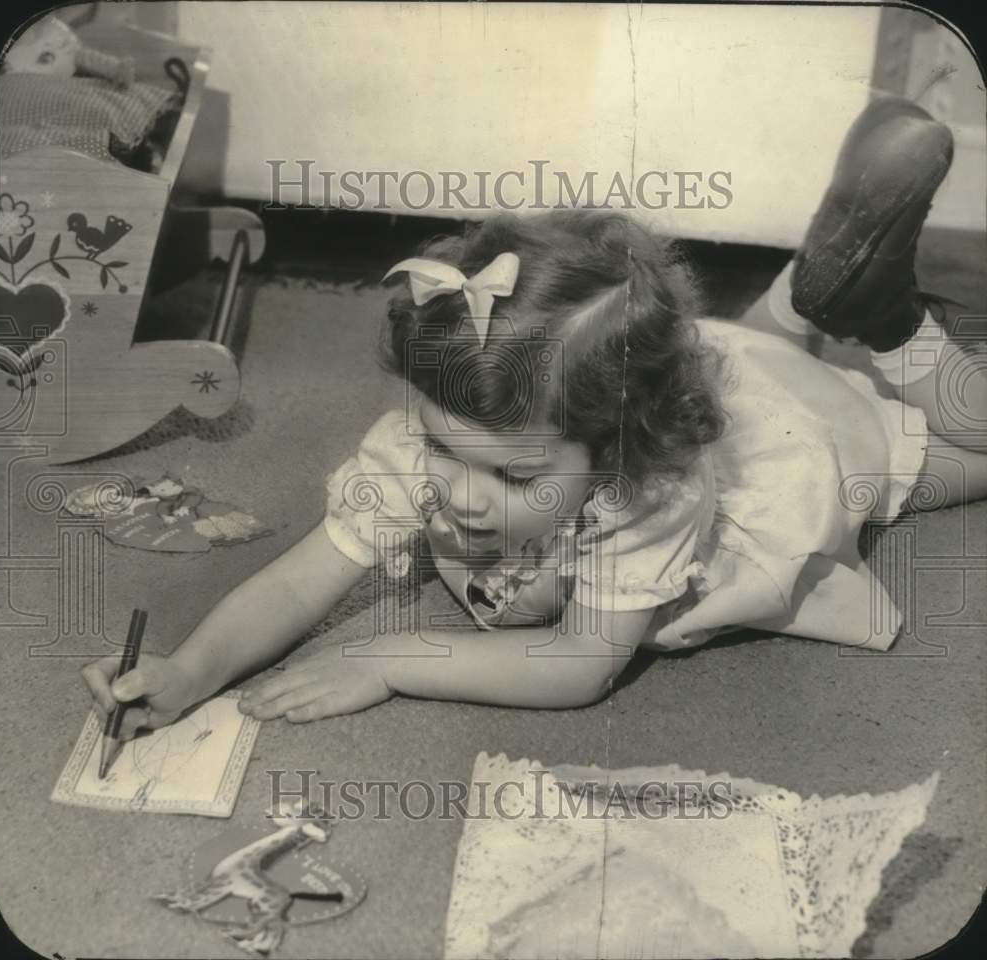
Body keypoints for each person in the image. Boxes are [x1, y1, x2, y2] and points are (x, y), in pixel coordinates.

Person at [83, 95, 986, 732]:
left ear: (617, 449)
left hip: (793, 450)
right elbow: (298, 580)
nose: (460, 494)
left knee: (954, 454)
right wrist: (191, 668)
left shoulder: (644, 494)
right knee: (734, 353)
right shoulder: (429, 444)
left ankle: (890, 323)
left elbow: (579, 662)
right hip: (682, 375)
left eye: (512, 475)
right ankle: (808, 288)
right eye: (444, 450)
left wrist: (390, 659)